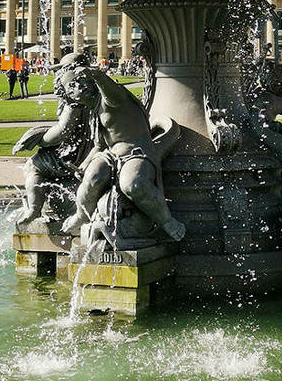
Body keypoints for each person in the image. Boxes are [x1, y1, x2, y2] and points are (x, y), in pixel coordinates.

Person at [56, 52, 185, 242]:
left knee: (133, 184)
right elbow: (100, 145)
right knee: (91, 179)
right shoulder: (93, 110)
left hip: (137, 152)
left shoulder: (110, 100)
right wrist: (85, 164)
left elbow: (112, 91)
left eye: (79, 80)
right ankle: (82, 215)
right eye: (71, 86)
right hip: (111, 154)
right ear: (70, 98)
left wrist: (97, 75)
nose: (77, 86)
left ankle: (167, 221)